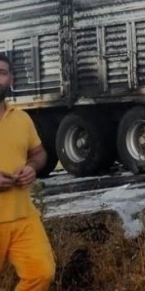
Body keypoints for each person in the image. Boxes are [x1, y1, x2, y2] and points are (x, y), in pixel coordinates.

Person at [0, 53, 56, 290]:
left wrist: (32, 168)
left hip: (23, 216)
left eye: (2, 73)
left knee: (42, 273)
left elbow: (39, 154)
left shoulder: (22, 118)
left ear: (11, 79)